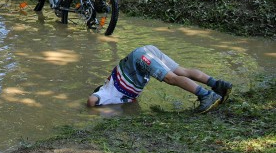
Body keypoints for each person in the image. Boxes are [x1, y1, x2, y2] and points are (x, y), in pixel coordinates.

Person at [86, 45, 232, 114]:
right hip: (145, 52)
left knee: (171, 78)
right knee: (182, 71)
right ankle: (218, 85)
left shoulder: (106, 93)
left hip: (140, 58)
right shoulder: (120, 94)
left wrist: (95, 111)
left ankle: (206, 95)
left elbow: (92, 100)